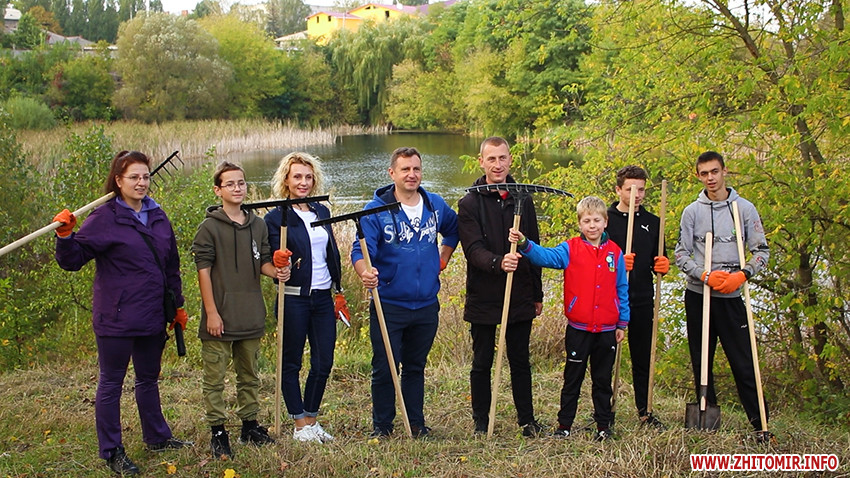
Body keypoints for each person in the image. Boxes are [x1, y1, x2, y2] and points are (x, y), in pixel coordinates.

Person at [53, 150, 191, 476]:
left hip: (152, 314)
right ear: (118, 180)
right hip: (116, 316)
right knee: (111, 382)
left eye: (145, 177)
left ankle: (157, 437)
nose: (141, 183)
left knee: (148, 378)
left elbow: (171, 266)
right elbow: (72, 260)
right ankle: (112, 450)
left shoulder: (158, 216)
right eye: (134, 177)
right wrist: (65, 236)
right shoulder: (104, 217)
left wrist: (177, 305)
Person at [351, 146, 458, 438]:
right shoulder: (375, 210)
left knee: (415, 366)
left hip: (425, 304)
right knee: (385, 366)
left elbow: (453, 229)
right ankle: (382, 426)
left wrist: (443, 257)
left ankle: (416, 423)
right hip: (390, 303)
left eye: (416, 169)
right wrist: (365, 272)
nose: (412, 174)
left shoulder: (435, 204)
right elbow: (360, 251)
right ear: (392, 173)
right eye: (405, 169)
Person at [508, 195, 630, 441]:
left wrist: (622, 322)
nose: (592, 225)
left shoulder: (615, 253)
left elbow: (621, 288)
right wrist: (524, 243)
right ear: (580, 224)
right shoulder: (570, 249)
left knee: (602, 380)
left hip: (607, 329)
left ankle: (603, 426)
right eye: (587, 221)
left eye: (597, 220)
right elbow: (544, 256)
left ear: (605, 222)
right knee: (572, 378)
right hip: (579, 328)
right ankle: (564, 425)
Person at [191, 161, 289, 459]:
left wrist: (278, 270)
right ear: (218, 190)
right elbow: (203, 271)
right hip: (220, 314)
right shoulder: (208, 228)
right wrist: (211, 312)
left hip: (250, 312)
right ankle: (218, 431)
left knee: (250, 375)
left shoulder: (258, 225)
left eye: (241, 183)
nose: (237, 188)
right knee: (215, 379)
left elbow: (262, 263)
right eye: (230, 184)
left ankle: (250, 425)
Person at [674, 151, 770, 437]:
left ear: (724, 171)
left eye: (714, 171)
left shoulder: (745, 209)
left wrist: (743, 274)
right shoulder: (692, 212)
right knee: (701, 360)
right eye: (704, 173)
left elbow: (761, 252)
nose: (710, 178)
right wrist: (703, 274)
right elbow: (681, 254)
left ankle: (760, 424)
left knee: (743, 362)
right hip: (699, 295)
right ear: (698, 176)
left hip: (730, 298)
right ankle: (707, 422)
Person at [456, 136, 545, 436]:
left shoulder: (523, 199)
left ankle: (527, 421)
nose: (497, 164)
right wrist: (498, 262)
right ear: (481, 161)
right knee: (482, 361)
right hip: (484, 293)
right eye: (491, 159)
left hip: (519, 292)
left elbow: (533, 247)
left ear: (510, 160)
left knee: (520, 360)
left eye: (502, 158)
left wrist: (536, 293)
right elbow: (472, 249)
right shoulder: (469, 202)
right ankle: (481, 422)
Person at [264, 152, 345, 444]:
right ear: (286, 179)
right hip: (293, 298)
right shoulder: (276, 217)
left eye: (308, 177)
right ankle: (299, 424)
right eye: (297, 176)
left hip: (322, 297)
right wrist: (278, 265)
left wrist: (338, 289)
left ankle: (311, 419)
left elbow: (330, 251)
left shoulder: (321, 211)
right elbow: (269, 258)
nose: (304, 182)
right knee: (291, 362)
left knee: (324, 361)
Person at [605, 165, 669, 428]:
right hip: (611, 299)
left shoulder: (653, 222)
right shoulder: (605, 220)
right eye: (631, 189)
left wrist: (662, 265)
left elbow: (658, 260)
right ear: (618, 190)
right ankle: (605, 411)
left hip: (642, 297)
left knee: (642, 356)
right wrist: (617, 263)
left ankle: (645, 410)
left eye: (641, 190)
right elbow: (593, 259)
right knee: (607, 356)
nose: (637, 195)